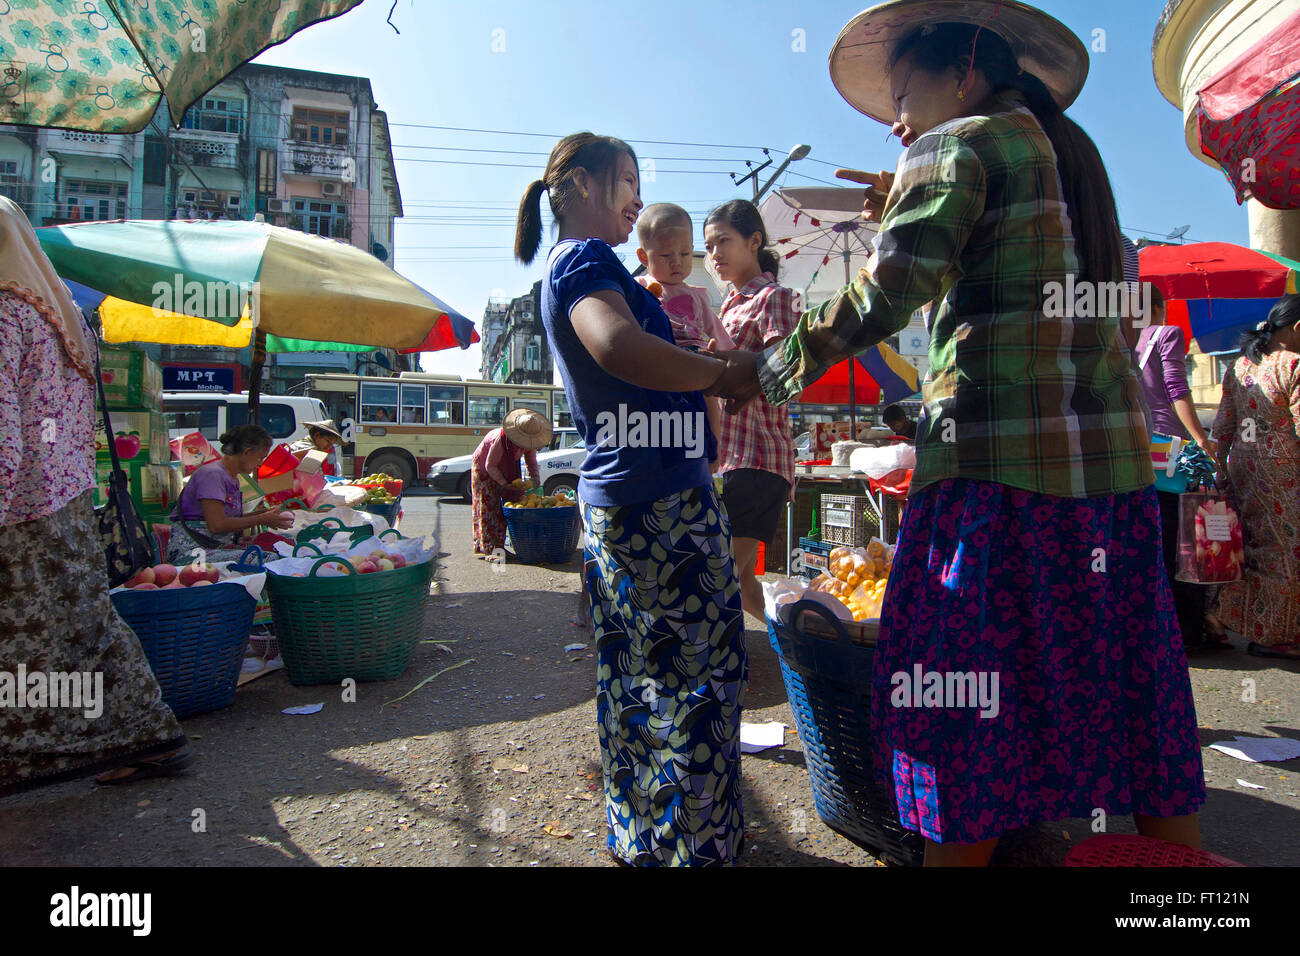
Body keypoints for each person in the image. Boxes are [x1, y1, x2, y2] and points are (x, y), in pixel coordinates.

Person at [706, 6, 1204, 865]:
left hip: (997, 481)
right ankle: (1186, 887)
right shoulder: (1070, 159)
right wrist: (908, 200)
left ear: (964, 71)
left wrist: (770, 366)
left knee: (964, 722)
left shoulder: (955, 144)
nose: (896, 119)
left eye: (903, 95)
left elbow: (890, 291)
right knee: (1133, 697)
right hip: (1109, 486)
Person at [516, 131, 745, 866]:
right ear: (582, 184)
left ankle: (645, 835)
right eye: (626, 179)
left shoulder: (578, 264)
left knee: (639, 674)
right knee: (697, 674)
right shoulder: (585, 260)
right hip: (657, 502)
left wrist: (703, 368)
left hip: (634, 495)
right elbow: (615, 345)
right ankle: (695, 847)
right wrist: (720, 375)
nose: (637, 197)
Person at [0, 194, 192, 794]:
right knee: (83, 625)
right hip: (69, 498)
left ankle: (87, 745)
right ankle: (139, 734)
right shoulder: (62, 317)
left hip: (22, 510)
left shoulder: (6, 317)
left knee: (40, 641)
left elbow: (4, 436)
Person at [706, 199, 797, 622]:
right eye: (708, 246)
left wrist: (734, 371)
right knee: (744, 587)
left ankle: (705, 668)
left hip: (759, 457)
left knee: (715, 571)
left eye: (723, 241)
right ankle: (800, 654)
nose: (714, 254)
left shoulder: (776, 298)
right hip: (728, 458)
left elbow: (790, 368)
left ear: (754, 241)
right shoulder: (723, 306)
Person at [1134, 284, 1225, 650]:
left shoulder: (1121, 340)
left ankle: (1156, 631)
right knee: (1184, 545)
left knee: (1151, 543)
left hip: (1136, 449)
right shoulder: (1166, 333)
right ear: (1159, 307)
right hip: (1171, 453)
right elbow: (1176, 389)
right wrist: (1201, 438)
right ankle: (1188, 630)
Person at [1210, 294, 1300, 660]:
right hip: (1283, 472)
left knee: (1252, 551)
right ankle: (1276, 635)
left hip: (1243, 467)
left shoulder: (1241, 367)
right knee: (1286, 554)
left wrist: (1220, 471)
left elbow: (1223, 425)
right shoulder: (1293, 365)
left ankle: (1237, 621)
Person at [633, 202, 732, 472]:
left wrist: (721, 358)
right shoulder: (640, 288)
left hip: (697, 360)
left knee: (711, 400)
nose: (677, 261)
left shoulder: (699, 295)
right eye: (666, 255)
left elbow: (720, 339)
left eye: (686, 253)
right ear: (643, 257)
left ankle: (714, 455)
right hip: (663, 361)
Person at [167, 424, 294, 564]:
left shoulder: (232, 478)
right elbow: (217, 524)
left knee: (286, 543)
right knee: (268, 558)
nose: (260, 464)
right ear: (247, 452)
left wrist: (264, 514)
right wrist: (262, 519)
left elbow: (227, 518)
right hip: (194, 551)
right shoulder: (212, 475)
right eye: (260, 458)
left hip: (214, 546)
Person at [470, 407, 548, 557]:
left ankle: (501, 545)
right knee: (489, 508)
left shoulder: (529, 442)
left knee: (509, 507)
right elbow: (490, 465)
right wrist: (504, 483)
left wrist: (535, 477)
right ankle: (491, 550)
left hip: (506, 469)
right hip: (484, 469)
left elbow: (531, 461)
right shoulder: (501, 439)